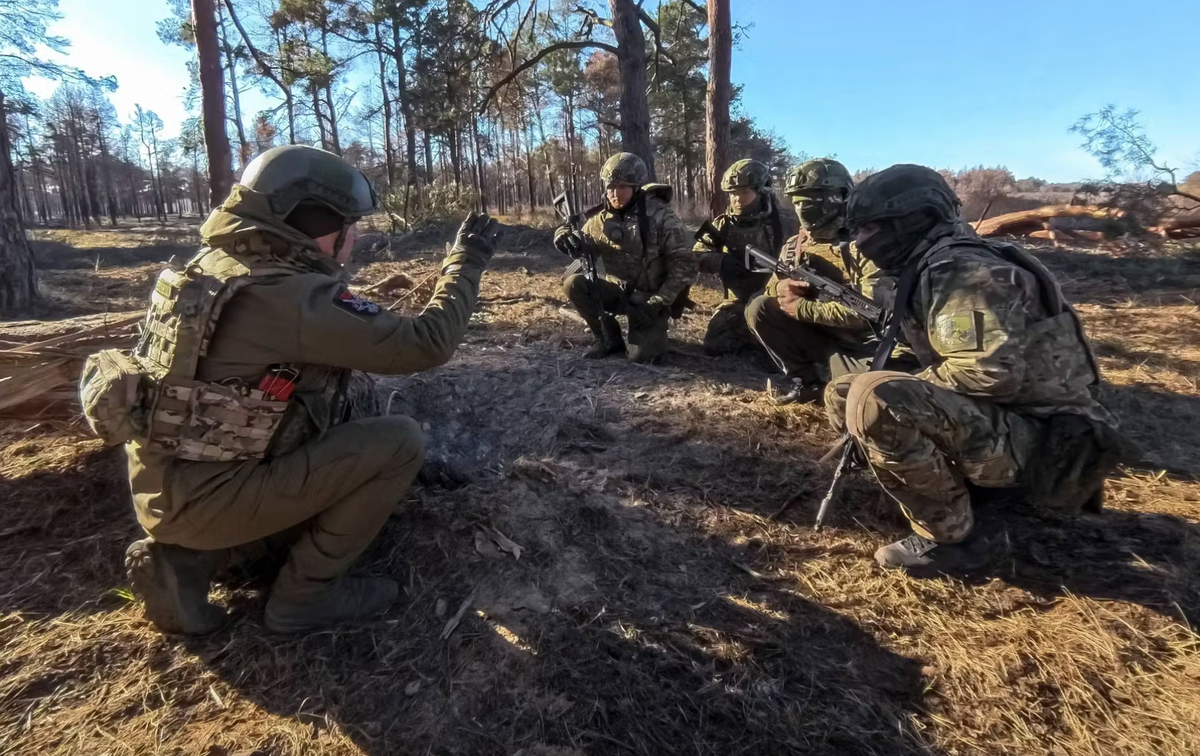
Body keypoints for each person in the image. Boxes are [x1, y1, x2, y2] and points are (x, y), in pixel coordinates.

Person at [95, 145, 498, 634]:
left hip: (168, 491)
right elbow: (426, 344)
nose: (355, 236)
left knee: (330, 424)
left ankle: (187, 564)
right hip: (213, 498)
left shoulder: (214, 266)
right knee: (398, 443)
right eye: (348, 224)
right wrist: (466, 263)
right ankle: (305, 597)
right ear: (313, 223)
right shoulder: (288, 296)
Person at [826, 164, 1124, 574]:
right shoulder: (930, 264)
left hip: (1055, 445)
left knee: (875, 398)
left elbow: (987, 372)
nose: (860, 242)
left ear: (915, 219)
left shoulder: (964, 272)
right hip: (1019, 421)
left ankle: (954, 540)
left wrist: (894, 388)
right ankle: (952, 491)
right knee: (847, 391)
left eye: (870, 229)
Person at [745, 159, 880, 404]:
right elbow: (771, 288)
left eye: (812, 199)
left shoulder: (866, 245)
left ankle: (835, 380)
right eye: (797, 201)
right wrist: (779, 287)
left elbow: (871, 313)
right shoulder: (794, 245)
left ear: (841, 196)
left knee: (878, 391)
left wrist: (803, 308)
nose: (802, 207)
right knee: (760, 306)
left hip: (865, 349)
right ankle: (806, 382)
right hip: (821, 339)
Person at [554, 152, 697, 364]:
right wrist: (564, 238)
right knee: (573, 284)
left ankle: (644, 334)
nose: (615, 193)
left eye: (622, 187)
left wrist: (659, 301)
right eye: (611, 187)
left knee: (642, 357)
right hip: (619, 293)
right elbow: (584, 252)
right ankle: (607, 337)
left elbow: (686, 263)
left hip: (651, 300)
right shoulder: (599, 220)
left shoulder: (660, 216)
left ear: (636, 187)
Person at [692, 159, 784, 355]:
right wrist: (722, 262)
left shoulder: (784, 222)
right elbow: (696, 255)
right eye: (733, 193)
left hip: (777, 299)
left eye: (744, 192)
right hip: (738, 301)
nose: (737, 199)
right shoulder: (723, 224)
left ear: (761, 192)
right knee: (714, 346)